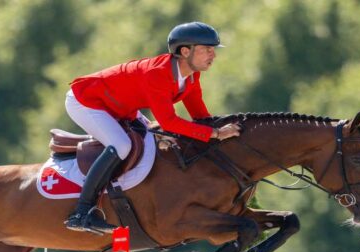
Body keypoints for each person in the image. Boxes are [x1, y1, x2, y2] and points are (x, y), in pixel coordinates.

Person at [64, 21, 241, 234]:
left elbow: (200, 115)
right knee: (121, 145)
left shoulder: (192, 75)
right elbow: (169, 122)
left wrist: (224, 132)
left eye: (213, 50)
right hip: (86, 101)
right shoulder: (157, 74)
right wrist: (215, 134)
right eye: (207, 49)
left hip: (120, 106)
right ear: (185, 51)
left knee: (150, 140)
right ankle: (81, 213)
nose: (213, 55)